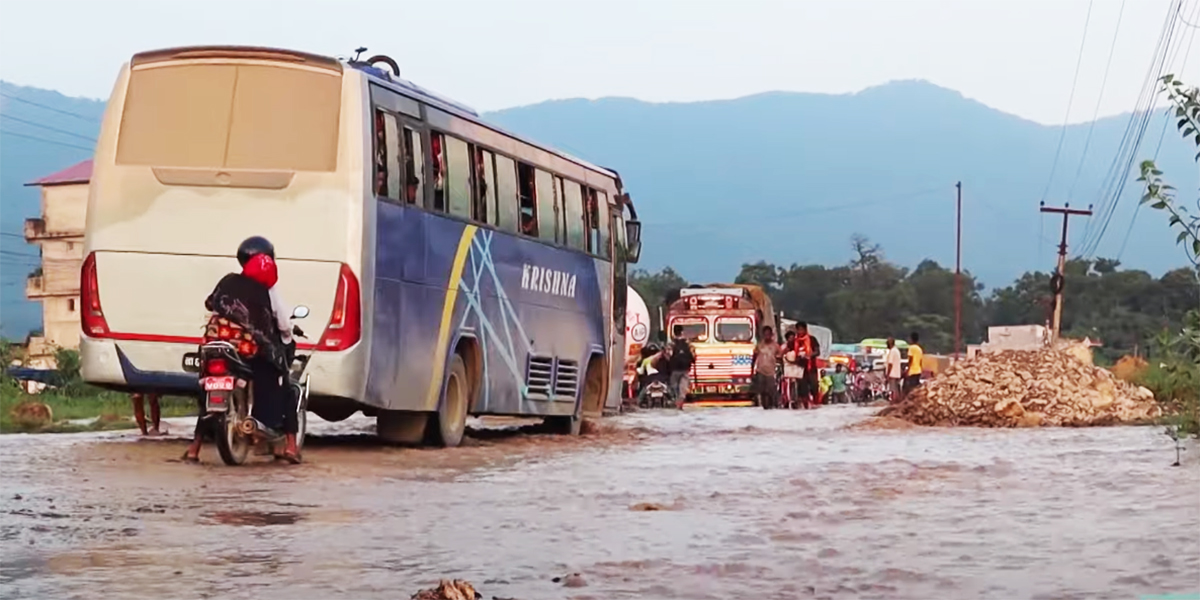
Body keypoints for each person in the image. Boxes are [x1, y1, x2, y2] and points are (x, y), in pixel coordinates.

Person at [183, 236, 301, 464]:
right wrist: (286, 338)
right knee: (283, 381)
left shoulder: (228, 281)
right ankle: (291, 446)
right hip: (250, 352)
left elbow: (211, 303)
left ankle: (194, 448)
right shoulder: (269, 290)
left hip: (219, 347)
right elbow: (283, 326)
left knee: (207, 390)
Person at [789, 322, 822, 409]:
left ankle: (816, 403)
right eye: (798, 329)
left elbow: (818, 352)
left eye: (801, 329)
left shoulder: (812, 339)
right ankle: (805, 406)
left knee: (814, 386)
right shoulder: (794, 342)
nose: (800, 331)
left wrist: (810, 355)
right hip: (799, 368)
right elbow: (789, 351)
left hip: (811, 367)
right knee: (802, 388)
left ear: (805, 329)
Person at [751, 325, 781, 409]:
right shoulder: (760, 345)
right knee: (762, 391)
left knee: (771, 391)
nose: (767, 336)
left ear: (771, 335)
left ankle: (772, 406)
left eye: (768, 334)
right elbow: (754, 357)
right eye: (765, 334)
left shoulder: (776, 346)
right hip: (760, 371)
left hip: (771, 372)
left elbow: (780, 357)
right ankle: (765, 407)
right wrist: (752, 369)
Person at [667, 325, 695, 409]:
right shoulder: (688, 343)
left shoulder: (671, 343)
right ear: (682, 332)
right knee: (683, 388)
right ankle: (680, 403)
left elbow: (668, 356)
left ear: (674, 332)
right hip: (685, 369)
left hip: (674, 370)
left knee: (674, 387)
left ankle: (676, 402)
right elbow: (693, 355)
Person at [904, 331, 924, 398]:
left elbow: (910, 359)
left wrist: (907, 369)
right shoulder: (919, 349)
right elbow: (920, 361)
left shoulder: (911, 348)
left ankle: (911, 400)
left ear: (911, 339)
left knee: (911, 387)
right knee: (916, 387)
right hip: (918, 370)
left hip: (912, 371)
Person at [884, 336, 903, 402]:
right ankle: (897, 402)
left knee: (893, 390)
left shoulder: (892, 351)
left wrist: (887, 375)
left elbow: (890, 364)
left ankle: (894, 402)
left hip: (892, 374)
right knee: (896, 390)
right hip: (897, 373)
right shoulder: (897, 351)